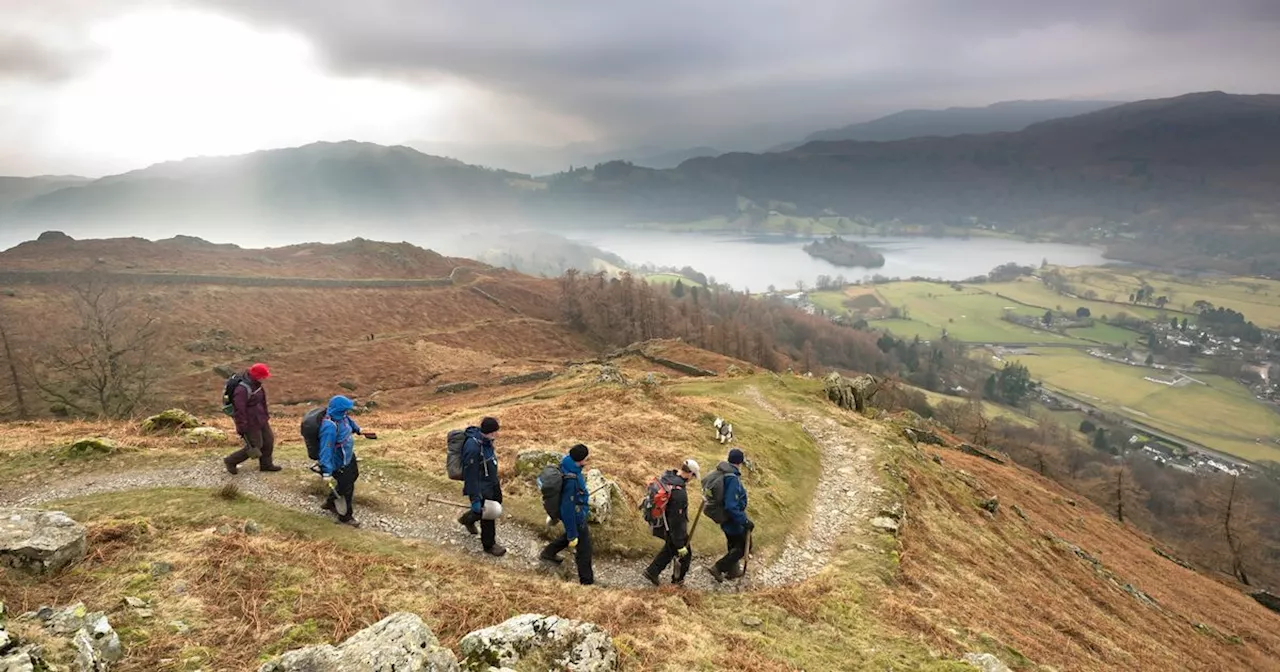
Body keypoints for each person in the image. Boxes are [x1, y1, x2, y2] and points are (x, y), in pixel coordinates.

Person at [539, 443, 594, 585]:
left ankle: (548, 553)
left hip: (575, 512)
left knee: (575, 537)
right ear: (581, 460)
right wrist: (572, 535)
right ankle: (587, 581)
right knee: (584, 549)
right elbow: (567, 508)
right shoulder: (572, 479)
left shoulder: (567, 463)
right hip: (576, 515)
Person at [642, 458, 699, 587]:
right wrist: (680, 544)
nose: (692, 479)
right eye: (693, 476)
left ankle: (652, 571)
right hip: (668, 526)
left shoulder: (667, 477)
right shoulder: (679, 493)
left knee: (669, 548)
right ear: (689, 473)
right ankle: (677, 581)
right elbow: (677, 521)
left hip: (660, 522)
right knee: (685, 554)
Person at [459, 416, 506, 556]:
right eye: (496, 431)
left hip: (492, 482)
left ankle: (467, 519)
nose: (497, 434)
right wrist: (475, 498)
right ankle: (489, 545)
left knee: (493, 505)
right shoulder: (473, 447)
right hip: (481, 487)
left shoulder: (486, 441)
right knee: (489, 514)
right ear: (490, 432)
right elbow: (470, 475)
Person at [223, 363, 280, 474]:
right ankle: (231, 461)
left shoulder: (257, 384)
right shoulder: (242, 390)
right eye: (263, 376)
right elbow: (239, 410)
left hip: (261, 418)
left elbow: (262, 401)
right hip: (249, 422)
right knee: (255, 445)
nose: (265, 378)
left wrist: (265, 415)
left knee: (268, 441)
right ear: (257, 375)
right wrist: (241, 427)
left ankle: (266, 464)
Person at [709, 448, 753, 582]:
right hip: (732, 519)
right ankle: (718, 567)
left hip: (724, 517)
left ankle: (733, 570)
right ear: (739, 462)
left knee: (733, 542)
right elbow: (731, 505)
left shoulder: (722, 473)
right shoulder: (732, 479)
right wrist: (744, 521)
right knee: (744, 545)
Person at [318, 395, 363, 526]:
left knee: (354, 475)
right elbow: (326, 449)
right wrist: (326, 471)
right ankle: (345, 517)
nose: (348, 412)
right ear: (339, 410)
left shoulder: (342, 417)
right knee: (348, 488)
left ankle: (330, 502)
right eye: (345, 409)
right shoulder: (329, 426)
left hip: (348, 456)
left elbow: (349, 421)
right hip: (339, 462)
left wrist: (358, 430)